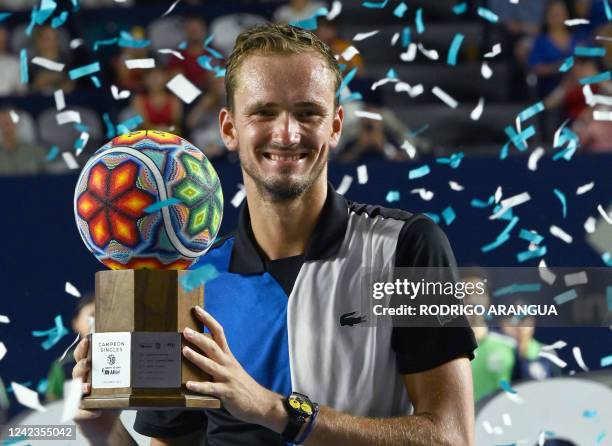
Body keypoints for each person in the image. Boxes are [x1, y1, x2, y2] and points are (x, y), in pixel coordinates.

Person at [72, 23, 477, 445]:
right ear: (228, 128)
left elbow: (451, 437)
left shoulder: (409, 246)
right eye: (264, 112)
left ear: (335, 125)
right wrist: (106, 434)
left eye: (308, 112)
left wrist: (276, 411)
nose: (287, 134)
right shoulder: (191, 279)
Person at [46, 295, 95, 402]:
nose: (96, 322)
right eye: (91, 316)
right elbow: (52, 405)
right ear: (76, 323)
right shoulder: (62, 365)